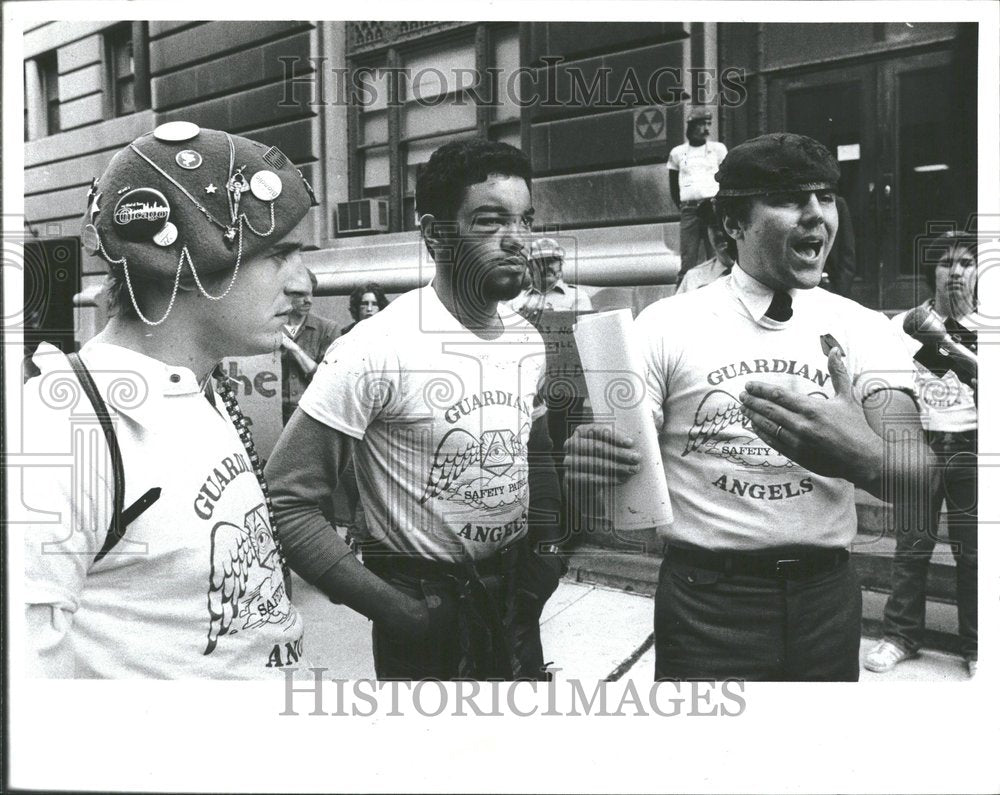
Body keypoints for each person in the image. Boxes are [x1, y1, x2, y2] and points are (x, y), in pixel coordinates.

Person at [566, 132, 932, 681]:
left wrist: (860, 454)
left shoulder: (861, 327)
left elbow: (920, 479)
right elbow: (619, 476)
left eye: (826, 197)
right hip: (707, 601)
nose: (816, 215)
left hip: (826, 600)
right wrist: (591, 463)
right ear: (733, 224)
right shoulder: (667, 325)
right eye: (788, 199)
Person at [21, 123, 316, 677]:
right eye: (280, 254)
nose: (306, 282)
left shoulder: (204, 388)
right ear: (181, 268)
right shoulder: (63, 429)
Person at [265, 139, 564, 681]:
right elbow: (288, 501)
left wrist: (546, 558)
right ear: (434, 235)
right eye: (491, 221)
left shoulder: (526, 339)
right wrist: (396, 611)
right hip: (425, 614)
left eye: (525, 220)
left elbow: (536, 453)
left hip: (516, 600)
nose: (518, 240)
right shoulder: (375, 347)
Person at [865, 231, 978, 677]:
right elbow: (887, 392)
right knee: (912, 547)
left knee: (975, 552)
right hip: (922, 446)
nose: (955, 272)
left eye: (965, 263)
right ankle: (900, 636)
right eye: (946, 262)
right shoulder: (903, 325)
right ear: (931, 270)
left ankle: (977, 645)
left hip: (972, 446)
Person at [667, 106, 727, 278]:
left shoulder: (718, 149)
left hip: (713, 208)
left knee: (717, 255)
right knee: (688, 258)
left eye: (709, 123)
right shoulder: (678, 152)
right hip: (690, 210)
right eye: (702, 124)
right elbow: (673, 186)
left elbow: (725, 178)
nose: (706, 128)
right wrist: (684, 206)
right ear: (691, 126)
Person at [280, 267, 340, 424]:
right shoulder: (270, 328)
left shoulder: (327, 329)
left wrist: (295, 349)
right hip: (273, 419)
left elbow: (330, 381)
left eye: (310, 293)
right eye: (300, 294)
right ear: (284, 295)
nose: (309, 300)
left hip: (311, 417)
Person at [510, 237, 592, 320]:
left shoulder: (577, 297)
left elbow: (585, 331)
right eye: (542, 261)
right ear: (530, 266)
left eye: (553, 261)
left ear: (560, 265)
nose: (548, 266)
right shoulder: (515, 301)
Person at [674, 199, 736, 294]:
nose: (720, 234)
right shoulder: (694, 279)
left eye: (726, 227)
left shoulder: (759, 276)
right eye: (714, 227)